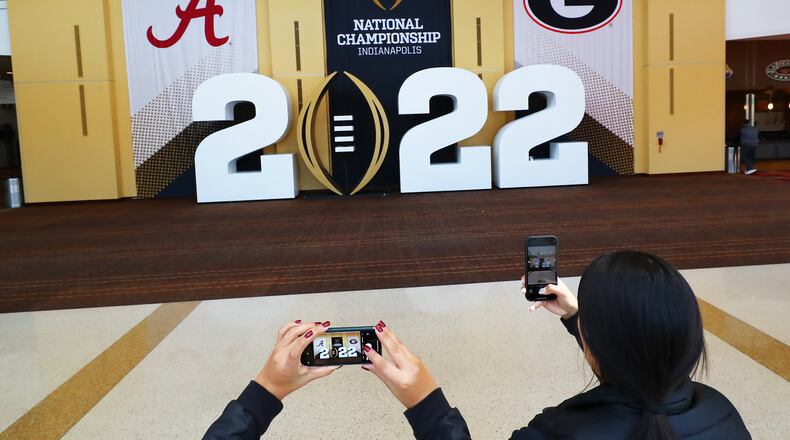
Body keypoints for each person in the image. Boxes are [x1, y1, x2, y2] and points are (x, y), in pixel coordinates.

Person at [204, 251, 750, 440]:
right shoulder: (723, 414)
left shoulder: (560, 430)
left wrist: (426, 402)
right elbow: (633, 362)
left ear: (599, 348)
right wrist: (581, 321)